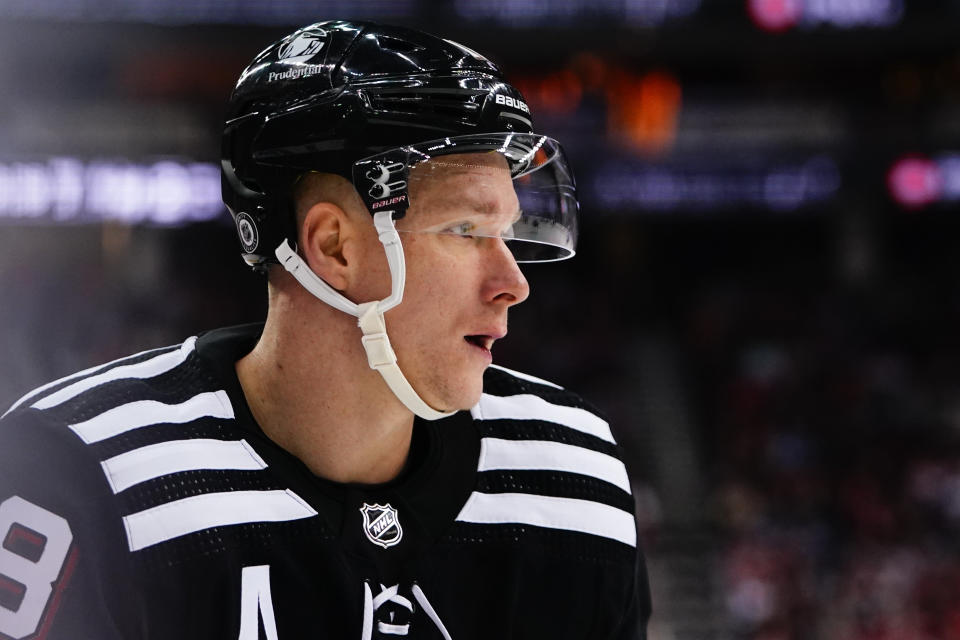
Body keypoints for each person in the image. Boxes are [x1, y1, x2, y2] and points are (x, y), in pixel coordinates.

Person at [0, 20, 650, 639]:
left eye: (505, 233)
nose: (513, 282)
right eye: (466, 230)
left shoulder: (572, 471)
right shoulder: (75, 476)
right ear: (334, 248)